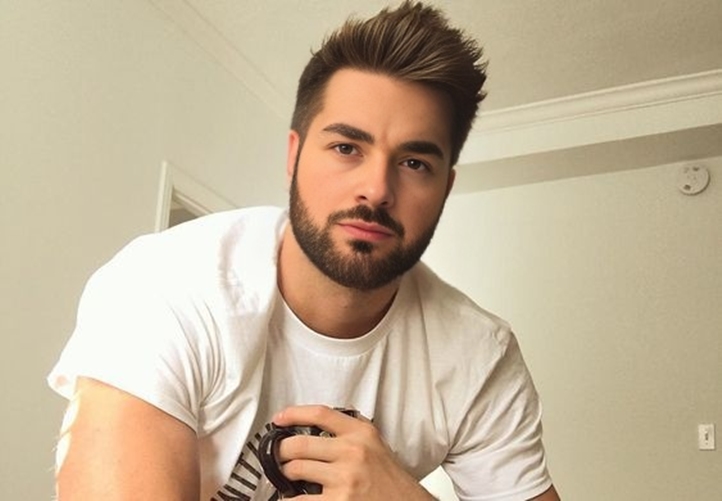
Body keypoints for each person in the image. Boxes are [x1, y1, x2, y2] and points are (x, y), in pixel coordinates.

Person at [48, 1, 560, 500]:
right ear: (293, 157)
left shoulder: (479, 356)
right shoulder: (165, 286)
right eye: (346, 148)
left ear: (445, 189)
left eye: (414, 163)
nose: (376, 189)